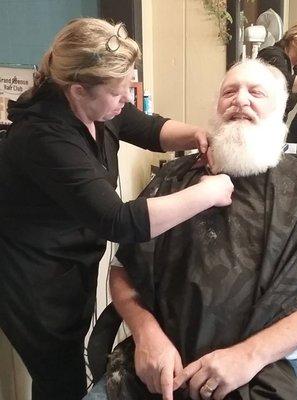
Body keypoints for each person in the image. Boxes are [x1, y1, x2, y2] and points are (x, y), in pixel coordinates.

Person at [85, 58, 297, 400]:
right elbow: (123, 269)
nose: (240, 100)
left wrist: (249, 355)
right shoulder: (174, 178)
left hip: (258, 371)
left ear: (282, 107)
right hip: (161, 367)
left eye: (256, 92)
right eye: (230, 92)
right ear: (216, 107)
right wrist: (146, 332)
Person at [0, 18, 234, 400]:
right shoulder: (43, 136)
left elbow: (148, 128)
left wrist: (196, 134)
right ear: (78, 90)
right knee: (60, 379)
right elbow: (119, 221)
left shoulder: (98, 103)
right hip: (32, 277)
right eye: (120, 93)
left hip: (69, 260)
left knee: (65, 367)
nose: (128, 99)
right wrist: (209, 192)